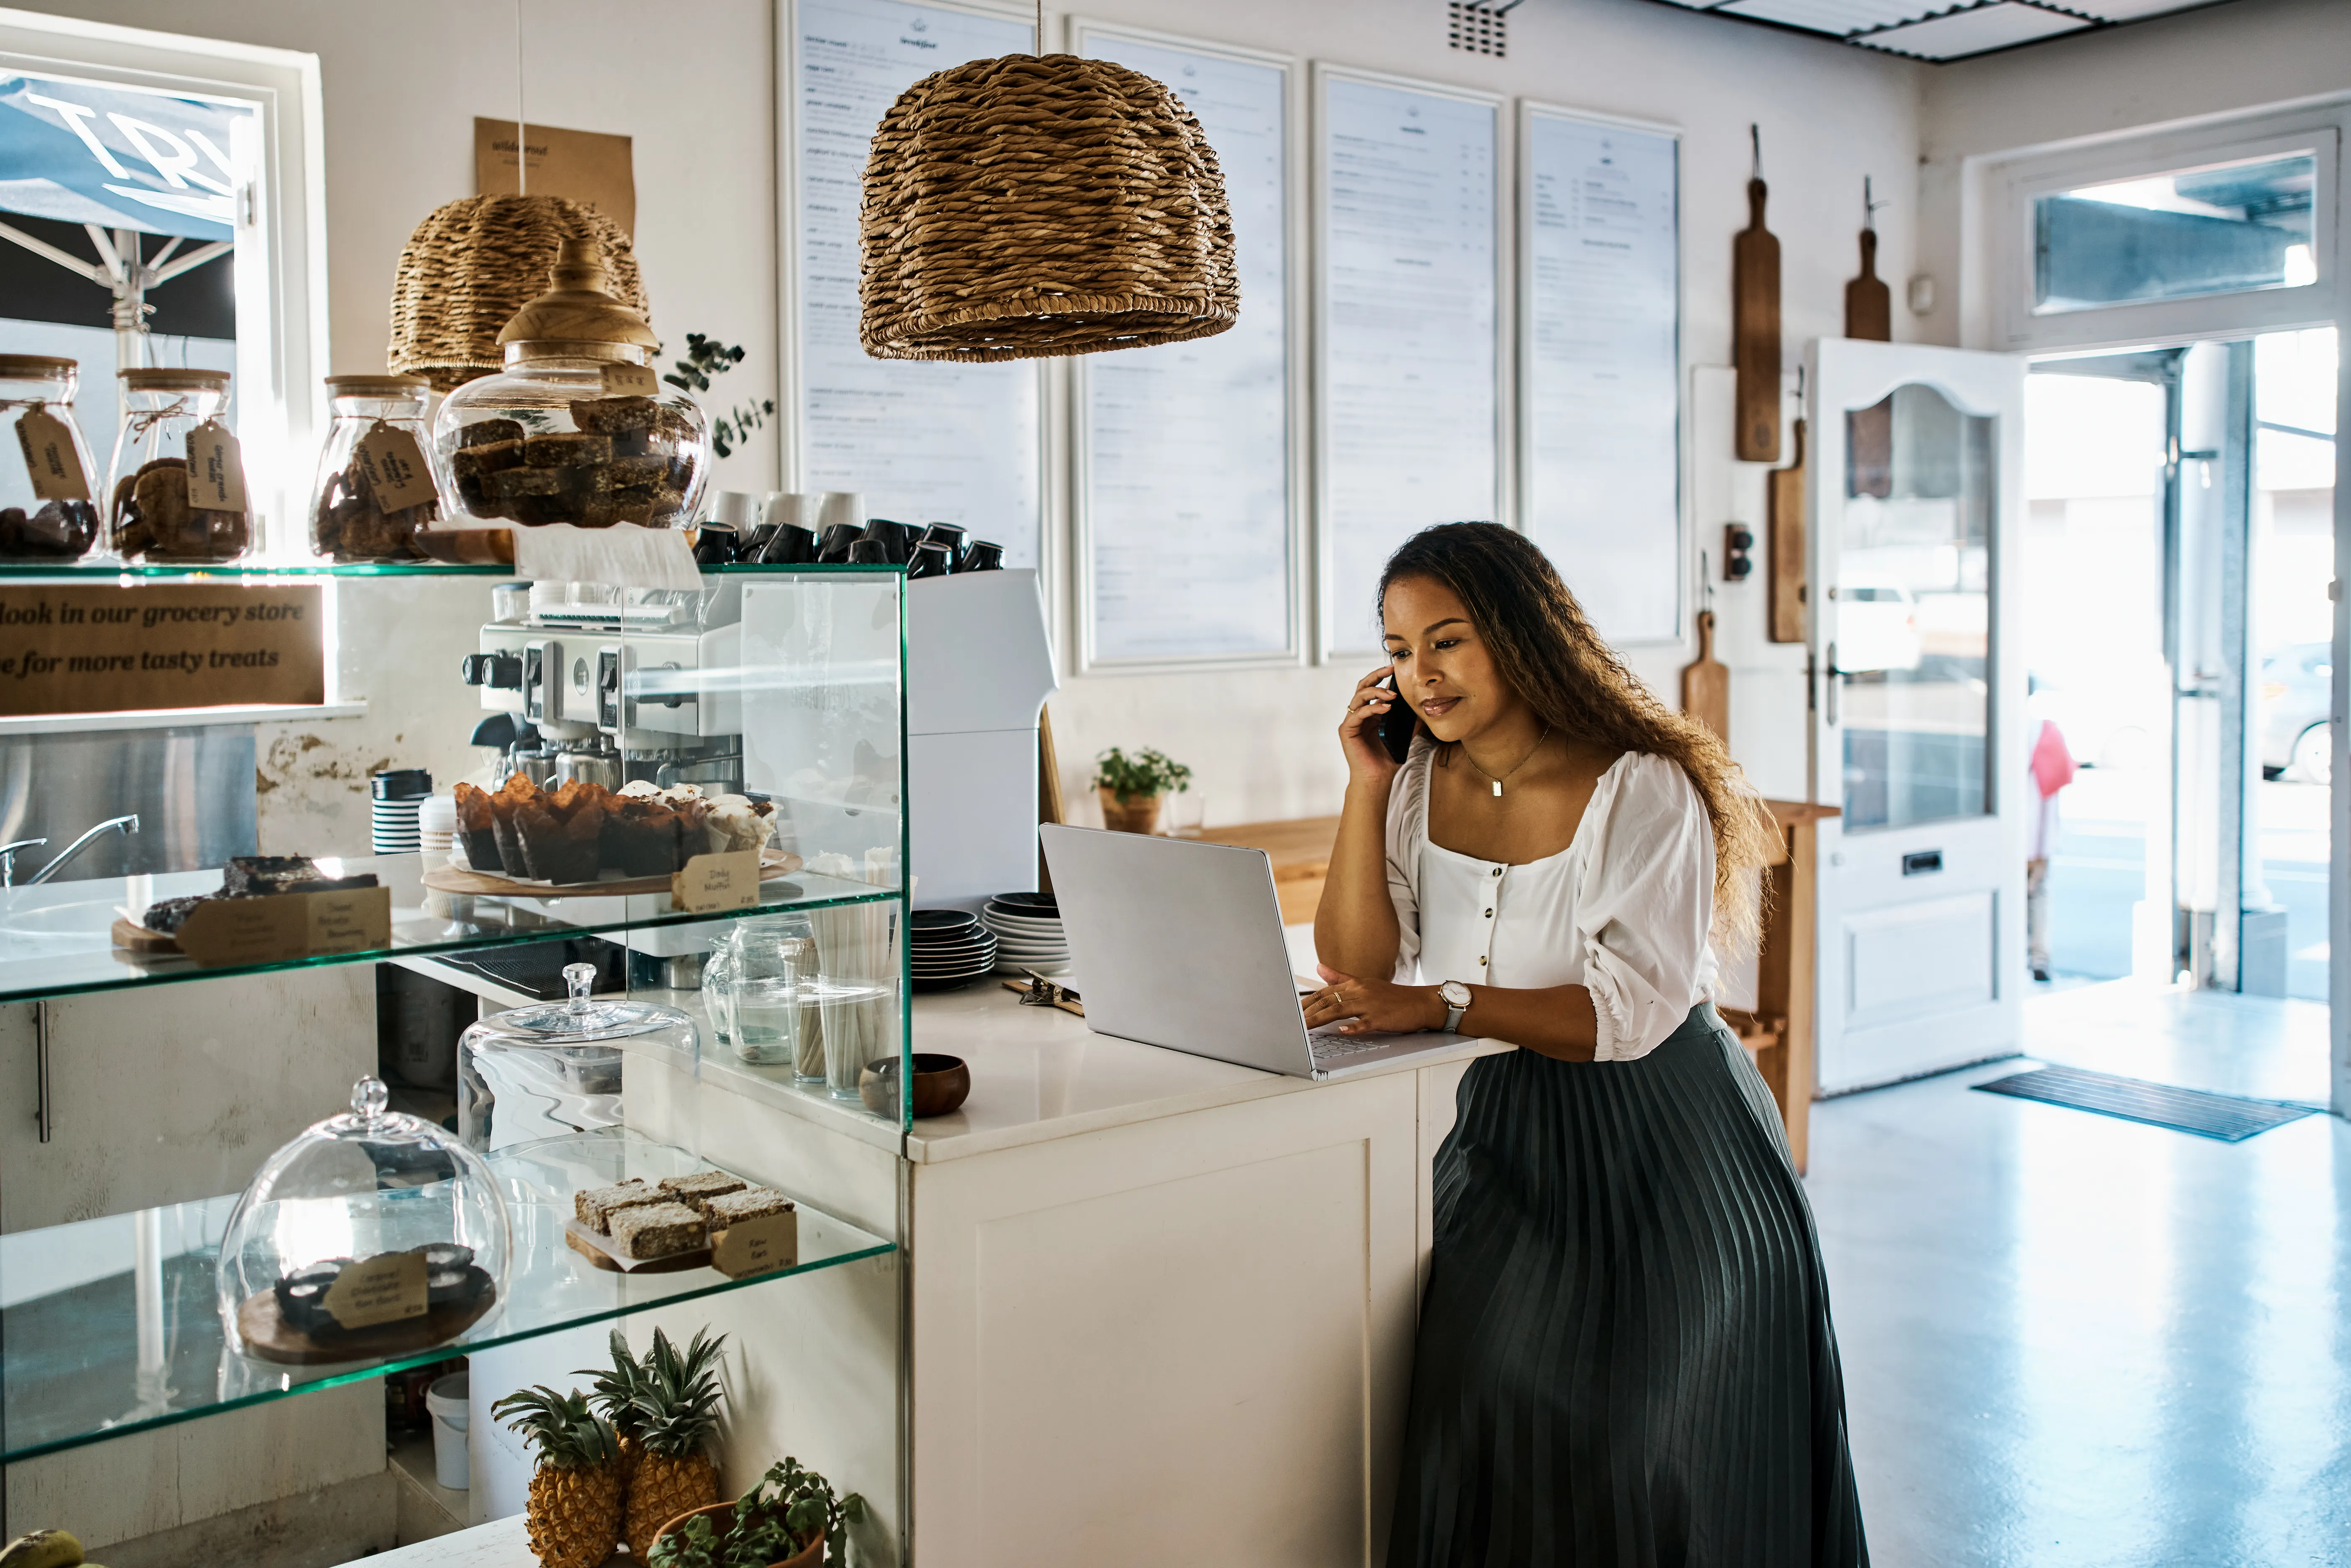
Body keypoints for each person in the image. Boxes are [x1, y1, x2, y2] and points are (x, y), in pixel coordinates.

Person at [1308, 523, 1868, 1567]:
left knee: (1639, 1440)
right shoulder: (1419, 782)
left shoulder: (1642, 783)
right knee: (1484, 1406)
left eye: (1448, 640)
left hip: (1666, 1138)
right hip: (1502, 1121)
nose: (1419, 675)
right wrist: (1366, 784)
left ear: (1521, 637)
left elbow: (1631, 1011)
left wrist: (1443, 1005)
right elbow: (1358, 962)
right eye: (1395, 649)